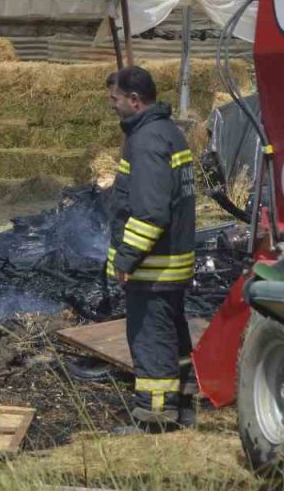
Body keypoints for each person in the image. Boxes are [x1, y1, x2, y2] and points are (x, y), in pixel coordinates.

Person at [105, 66, 198, 432]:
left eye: (114, 99)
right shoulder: (170, 133)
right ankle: (184, 403)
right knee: (172, 333)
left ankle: (155, 418)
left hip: (153, 265)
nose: (111, 106)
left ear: (133, 99)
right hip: (172, 261)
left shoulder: (146, 142)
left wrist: (126, 257)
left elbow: (150, 212)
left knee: (151, 339)